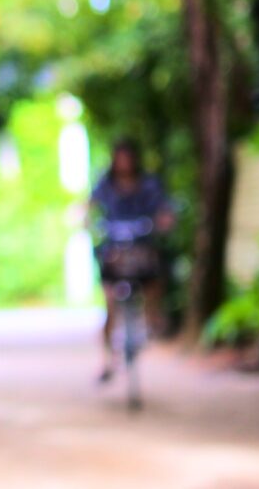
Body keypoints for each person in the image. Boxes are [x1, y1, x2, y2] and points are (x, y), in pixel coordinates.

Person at [88, 138, 174, 383]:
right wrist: (85, 218)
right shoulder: (105, 185)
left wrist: (164, 220)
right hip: (114, 250)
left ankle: (151, 318)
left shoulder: (149, 184)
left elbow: (164, 210)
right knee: (110, 303)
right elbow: (89, 206)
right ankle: (107, 359)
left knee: (155, 273)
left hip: (141, 247)